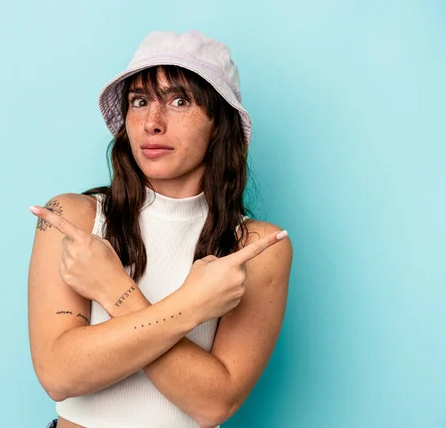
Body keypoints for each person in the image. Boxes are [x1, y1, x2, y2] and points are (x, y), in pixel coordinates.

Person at [27, 30, 293, 428]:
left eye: (180, 101)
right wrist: (192, 307)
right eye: (140, 101)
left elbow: (213, 404)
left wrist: (112, 287)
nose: (153, 122)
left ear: (219, 122)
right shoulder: (74, 219)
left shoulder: (256, 247)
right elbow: (59, 374)